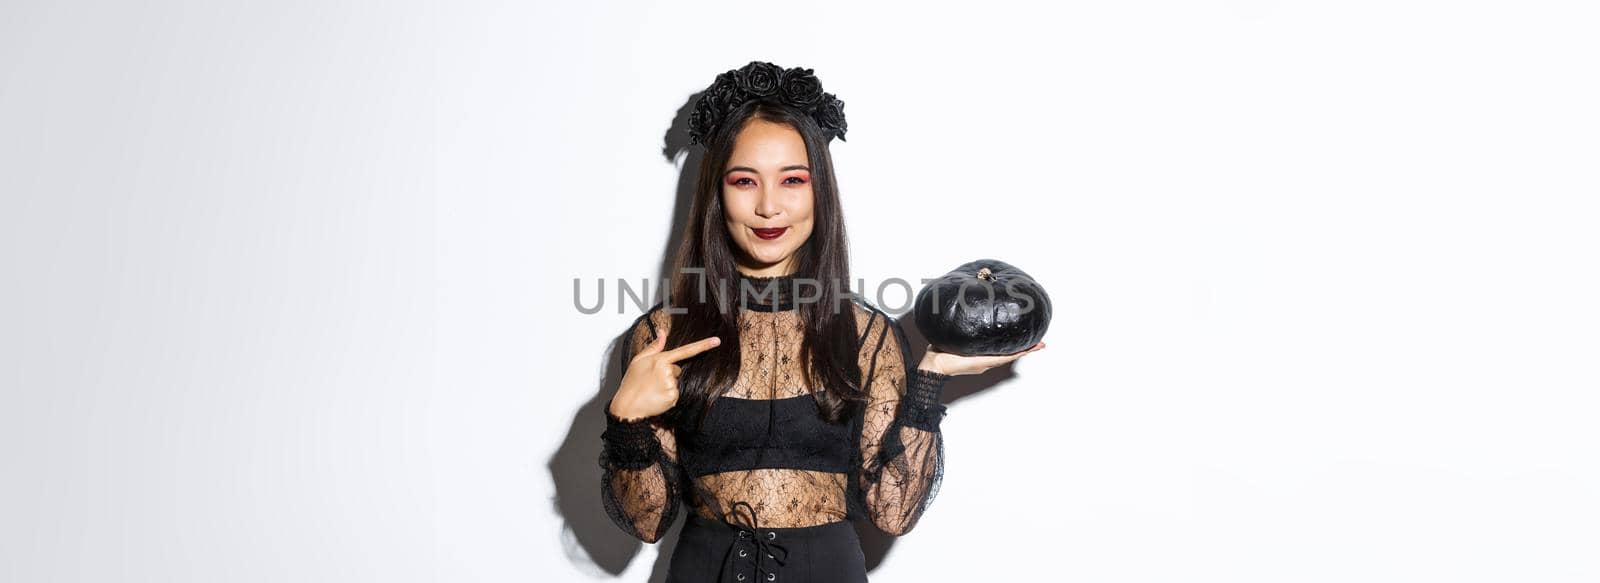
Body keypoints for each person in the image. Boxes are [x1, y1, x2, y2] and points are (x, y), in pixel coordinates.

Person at [599, 61, 1046, 583]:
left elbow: (893, 513)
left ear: (820, 192)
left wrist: (930, 380)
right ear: (717, 196)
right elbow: (647, 522)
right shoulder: (664, 336)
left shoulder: (865, 334)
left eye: (792, 180)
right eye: (745, 181)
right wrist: (625, 420)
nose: (769, 206)